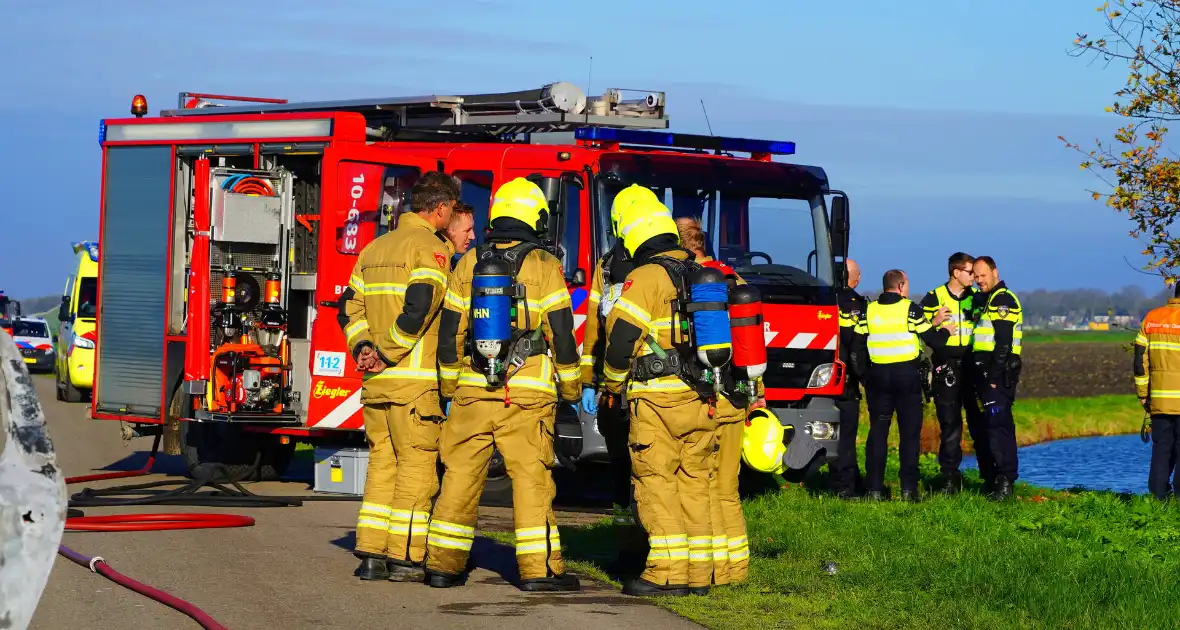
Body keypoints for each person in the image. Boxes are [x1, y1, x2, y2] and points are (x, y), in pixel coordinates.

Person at [426, 177, 582, 592]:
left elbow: (449, 334)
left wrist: (449, 387)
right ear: (537, 218)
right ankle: (539, 571)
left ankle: (442, 566)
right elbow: (562, 334)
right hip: (527, 395)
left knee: (459, 477)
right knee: (531, 481)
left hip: (471, 391)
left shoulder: (468, 261)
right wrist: (570, 389)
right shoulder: (545, 265)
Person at [344, 171, 458, 582]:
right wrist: (388, 353)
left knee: (382, 465)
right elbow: (420, 307)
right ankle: (405, 556)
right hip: (412, 382)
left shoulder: (374, 247)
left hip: (376, 385)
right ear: (441, 208)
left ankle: (371, 553)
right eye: (451, 211)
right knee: (417, 468)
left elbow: (349, 309)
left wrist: (364, 351)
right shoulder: (431, 248)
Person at [601, 197, 716, 597]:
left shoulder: (646, 278)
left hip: (658, 401)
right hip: (702, 399)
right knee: (694, 484)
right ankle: (699, 575)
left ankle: (666, 573)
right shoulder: (699, 271)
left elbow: (621, 341)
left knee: (656, 483)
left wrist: (612, 384)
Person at [675, 216, 757, 585]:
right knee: (727, 488)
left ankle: (703, 569)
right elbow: (750, 338)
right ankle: (733, 570)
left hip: (700, 399)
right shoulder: (733, 280)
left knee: (696, 485)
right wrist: (758, 398)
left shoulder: (684, 281)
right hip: (737, 398)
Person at [580, 184, 659, 528]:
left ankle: (634, 536)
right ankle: (634, 530)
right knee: (637, 464)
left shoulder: (611, 265)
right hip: (645, 383)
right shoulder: (673, 264)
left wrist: (591, 381)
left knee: (632, 465)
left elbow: (601, 330)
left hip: (629, 382)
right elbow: (597, 328)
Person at [853, 269, 950, 502]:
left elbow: (856, 349)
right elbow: (934, 340)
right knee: (909, 435)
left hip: (877, 377)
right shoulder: (910, 309)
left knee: (878, 433)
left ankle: (874, 490)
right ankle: (909, 490)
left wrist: (864, 376)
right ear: (901, 286)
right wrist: (945, 330)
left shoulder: (870, 310)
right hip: (906, 377)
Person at [919, 252, 992, 494]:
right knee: (950, 424)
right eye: (970, 272)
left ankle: (989, 477)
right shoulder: (933, 298)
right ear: (956, 273)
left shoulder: (978, 298)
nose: (974, 276)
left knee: (979, 421)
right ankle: (949, 478)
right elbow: (921, 333)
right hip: (946, 364)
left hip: (972, 363)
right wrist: (935, 322)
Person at [970, 255, 1023, 501]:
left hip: (998, 375)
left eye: (983, 275)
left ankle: (1004, 482)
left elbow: (1003, 342)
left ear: (995, 272)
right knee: (991, 428)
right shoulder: (989, 299)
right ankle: (995, 480)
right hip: (988, 374)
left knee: (1000, 427)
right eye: (976, 276)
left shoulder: (1002, 299)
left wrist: (992, 377)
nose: (979, 280)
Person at [1135, 284, 1180, 500]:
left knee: (1161, 450)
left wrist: (1143, 394)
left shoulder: (1152, 318)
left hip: (1160, 400)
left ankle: (1158, 498)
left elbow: (1139, 361)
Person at [833, 258, 867, 499]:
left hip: (823, 376)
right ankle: (846, 485)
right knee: (846, 435)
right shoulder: (855, 304)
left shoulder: (824, 298)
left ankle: (847, 479)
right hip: (846, 380)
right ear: (855, 279)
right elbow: (857, 347)